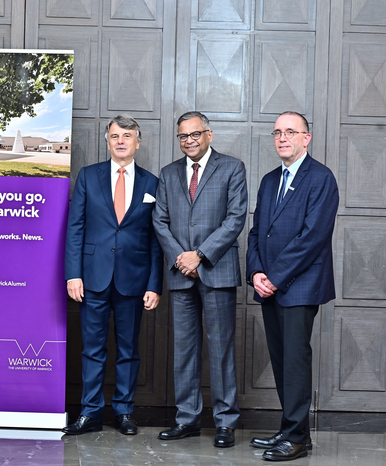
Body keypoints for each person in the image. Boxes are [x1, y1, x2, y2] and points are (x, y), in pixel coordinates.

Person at [63, 115, 163, 436]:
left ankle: (123, 411)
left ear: (138, 141)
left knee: (128, 349)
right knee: (92, 348)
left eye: (127, 136)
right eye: (115, 136)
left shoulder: (152, 183)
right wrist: (73, 274)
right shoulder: (89, 176)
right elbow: (75, 228)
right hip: (91, 278)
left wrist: (154, 284)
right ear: (107, 141)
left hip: (134, 280)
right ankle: (91, 412)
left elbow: (156, 238)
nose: (121, 141)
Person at [246, 111, 338, 461]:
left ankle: (297, 438)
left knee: (295, 360)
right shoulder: (270, 180)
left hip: (299, 284)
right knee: (282, 360)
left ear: (306, 138)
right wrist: (256, 272)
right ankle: (290, 429)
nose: (282, 138)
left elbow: (312, 237)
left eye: (290, 132)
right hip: (269, 284)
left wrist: (275, 277)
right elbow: (256, 232)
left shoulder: (321, 178)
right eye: (277, 132)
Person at [153, 111, 247, 448]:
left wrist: (201, 255)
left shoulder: (232, 168)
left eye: (195, 134)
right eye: (183, 136)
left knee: (221, 348)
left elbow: (235, 218)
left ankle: (225, 422)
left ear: (209, 134)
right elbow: (160, 221)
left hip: (216, 270)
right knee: (185, 349)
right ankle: (187, 419)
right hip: (181, 272)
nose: (189, 141)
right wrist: (182, 257)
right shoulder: (168, 173)